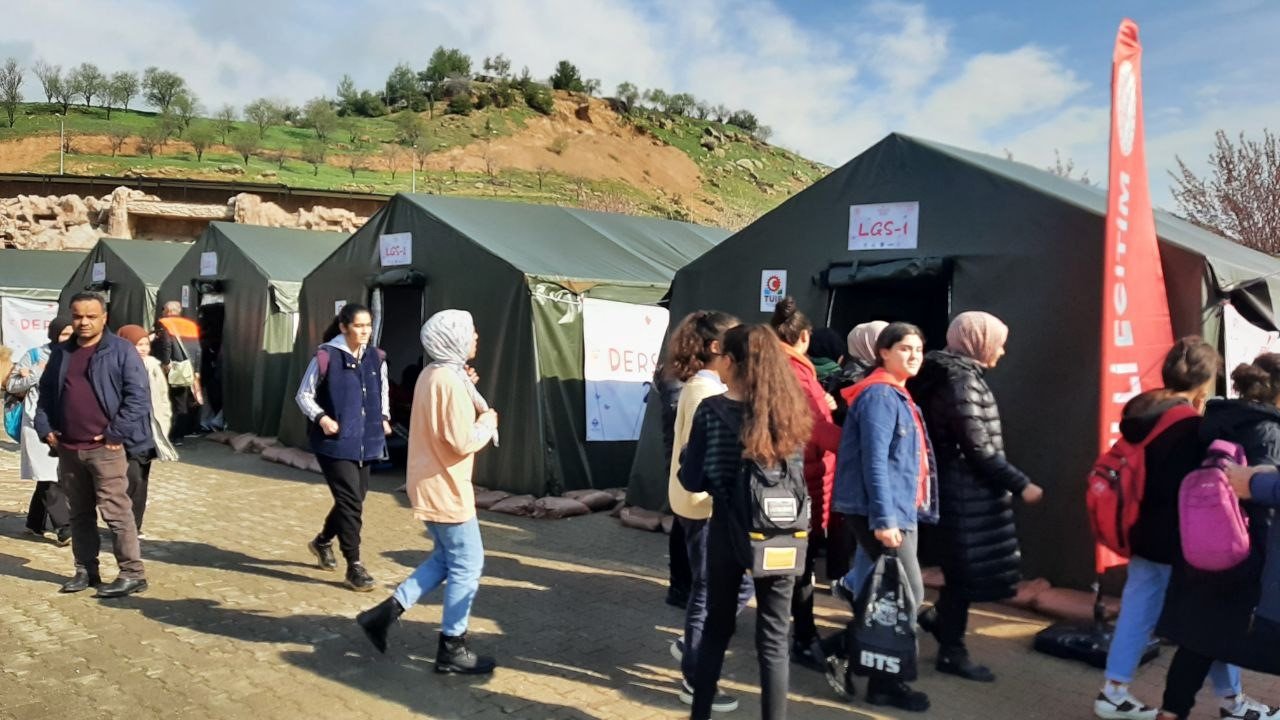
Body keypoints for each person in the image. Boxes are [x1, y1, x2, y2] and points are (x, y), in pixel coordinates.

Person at [1092, 338, 1263, 720]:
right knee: (1213, 618)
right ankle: (1233, 702)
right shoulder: (1191, 426)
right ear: (1205, 383)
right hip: (1180, 539)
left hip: (1141, 531)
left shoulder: (1143, 410)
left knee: (1137, 609)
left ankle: (1113, 691)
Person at [679, 323, 813, 720]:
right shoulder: (790, 413)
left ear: (733, 361)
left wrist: (690, 454)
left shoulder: (713, 411)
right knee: (773, 640)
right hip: (782, 532)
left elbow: (693, 481)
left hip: (727, 529)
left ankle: (700, 712)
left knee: (718, 626)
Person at [356, 309, 499, 675]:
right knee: (469, 563)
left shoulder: (436, 374)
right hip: (445, 487)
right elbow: (461, 440)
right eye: (470, 333)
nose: (476, 337)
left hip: (431, 481)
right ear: (453, 340)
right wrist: (487, 421)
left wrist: (466, 387)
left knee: (446, 559)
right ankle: (452, 646)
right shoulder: (447, 381)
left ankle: (384, 614)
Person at [908, 312, 1044, 682]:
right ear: (977, 341)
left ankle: (942, 625)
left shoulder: (953, 375)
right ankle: (952, 650)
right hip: (964, 496)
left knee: (961, 575)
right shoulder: (961, 382)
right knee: (964, 576)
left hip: (963, 493)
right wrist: (1021, 484)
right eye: (998, 341)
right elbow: (978, 448)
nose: (1002, 350)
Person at [1154, 352, 1280, 720]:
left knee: (1199, 637)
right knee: (1232, 633)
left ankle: (1172, 712)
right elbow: (1263, 502)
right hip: (1245, 550)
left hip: (1200, 543)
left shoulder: (1214, 421)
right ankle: (1235, 704)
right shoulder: (1269, 431)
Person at [830, 322, 936, 712]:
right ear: (884, 352)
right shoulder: (879, 396)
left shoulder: (898, 395)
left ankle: (852, 659)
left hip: (898, 509)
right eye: (905, 348)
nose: (914, 356)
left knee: (885, 593)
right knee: (908, 596)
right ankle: (878, 678)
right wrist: (884, 518)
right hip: (883, 511)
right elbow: (875, 462)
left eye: (919, 350)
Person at [34, 292, 153, 598]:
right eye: (77, 316)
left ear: (104, 318)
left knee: (116, 511)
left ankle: (132, 573)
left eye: (90, 316)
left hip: (106, 449)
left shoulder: (121, 350)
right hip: (69, 448)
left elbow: (138, 397)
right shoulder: (62, 352)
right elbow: (46, 394)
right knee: (79, 513)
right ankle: (86, 570)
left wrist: (115, 433)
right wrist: (45, 427)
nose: (83, 322)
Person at [664, 310, 748, 712]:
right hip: (703, 506)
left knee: (720, 588)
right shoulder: (704, 392)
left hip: (699, 504)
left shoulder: (703, 385)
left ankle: (691, 647)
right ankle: (695, 677)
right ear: (718, 347)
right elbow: (698, 459)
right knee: (709, 593)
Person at [296, 303, 391, 592]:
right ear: (343, 327)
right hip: (334, 443)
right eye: (359, 326)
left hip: (368, 440)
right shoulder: (327, 356)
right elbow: (304, 395)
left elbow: (383, 390)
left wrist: (384, 417)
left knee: (354, 500)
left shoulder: (377, 357)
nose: (365, 331)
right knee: (351, 502)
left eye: (368, 326)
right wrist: (322, 418)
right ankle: (355, 565)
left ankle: (322, 542)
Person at [769, 298, 842, 671]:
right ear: (804, 337)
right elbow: (817, 429)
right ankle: (801, 638)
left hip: (795, 480)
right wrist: (861, 440)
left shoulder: (785, 369)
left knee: (795, 566)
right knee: (800, 567)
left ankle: (794, 634)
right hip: (800, 485)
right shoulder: (795, 373)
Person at [7, 318, 74, 545]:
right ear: (54, 334)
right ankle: (64, 527)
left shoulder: (80, 354)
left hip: (67, 422)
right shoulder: (35, 355)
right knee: (48, 475)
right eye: (64, 334)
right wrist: (36, 372)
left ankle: (34, 523)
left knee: (54, 473)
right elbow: (12, 386)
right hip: (37, 422)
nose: (68, 338)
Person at [116, 325, 179, 534]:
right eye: (137, 345)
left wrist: (164, 425)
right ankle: (124, 523)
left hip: (148, 430)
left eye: (145, 344)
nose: (142, 349)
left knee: (141, 480)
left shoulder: (152, 366)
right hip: (125, 432)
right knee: (130, 479)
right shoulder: (116, 366)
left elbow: (161, 398)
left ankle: (135, 525)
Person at [654, 359, 694, 610]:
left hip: (682, 461)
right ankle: (680, 588)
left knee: (682, 525)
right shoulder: (679, 382)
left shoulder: (681, 380)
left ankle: (680, 587)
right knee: (684, 525)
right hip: (683, 463)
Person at [152, 301, 203, 444]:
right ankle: (184, 432)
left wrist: (165, 363)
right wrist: (197, 370)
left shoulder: (164, 322)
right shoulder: (190, 325)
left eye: (163, 310)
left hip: (173, 369)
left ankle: (174, 435)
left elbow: (166, 344)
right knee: (185, 400)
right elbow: (198, 349)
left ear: (167, 311)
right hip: (188, 369)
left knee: (170, 401)